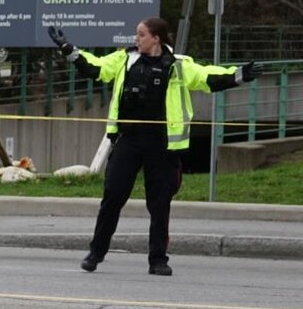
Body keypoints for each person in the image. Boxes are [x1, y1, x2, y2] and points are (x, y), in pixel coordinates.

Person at [50, 17, 265, 276]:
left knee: (160, 205)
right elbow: (95, 68)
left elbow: (208, 77)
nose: (136, 39)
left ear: (156, 38)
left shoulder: (179, 65)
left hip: (162, 145)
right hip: (128, 141)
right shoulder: (123, 60)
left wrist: (240, 75)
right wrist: (68, 49)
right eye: (136, 34)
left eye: (141, 34)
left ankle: (158, 260)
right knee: (113, 198)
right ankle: (96, 253)